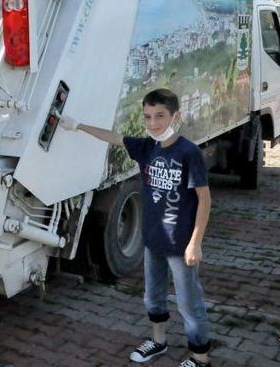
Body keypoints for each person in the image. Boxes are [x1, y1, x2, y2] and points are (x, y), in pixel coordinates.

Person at [59, 88, 212, 367]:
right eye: (148, 117)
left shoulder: (189, 153)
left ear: (176, 116)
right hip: (153, 241)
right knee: (152, 296)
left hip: (180, 245)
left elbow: (204, 199)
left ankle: (200, 357)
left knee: (189, 302)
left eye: (160, 116)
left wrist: (195, 242)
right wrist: (77, 126)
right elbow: (114, 137)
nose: (153, 123)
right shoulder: (146, 148)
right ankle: (158, 342)